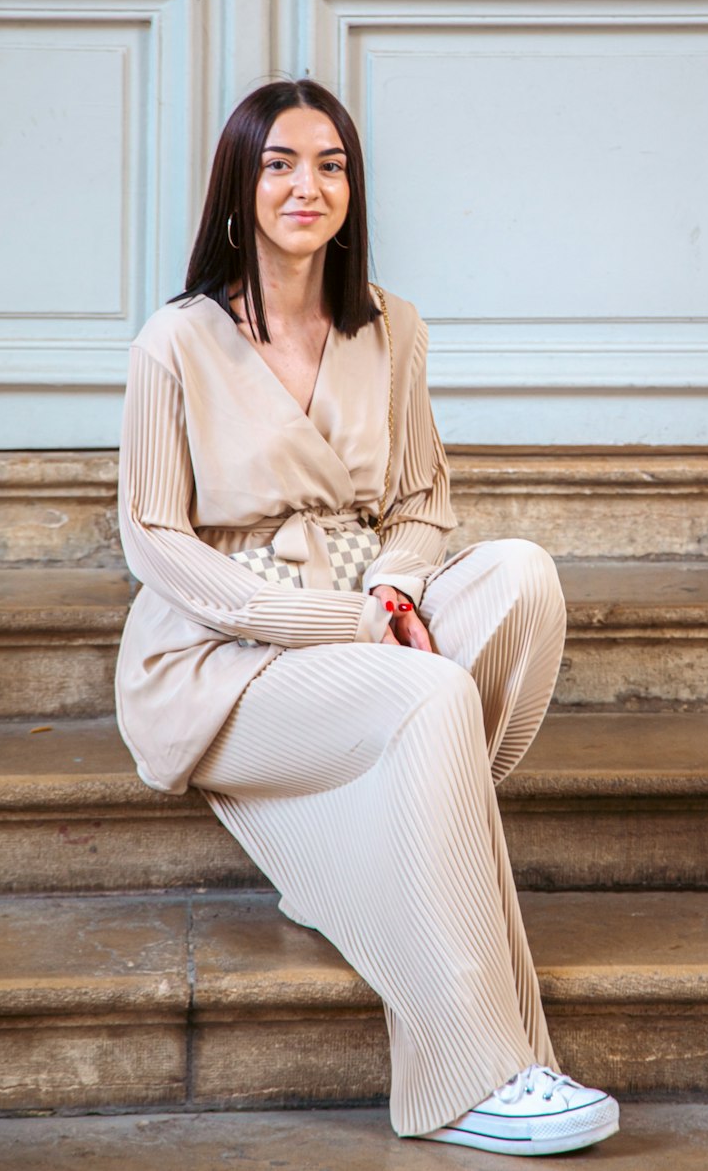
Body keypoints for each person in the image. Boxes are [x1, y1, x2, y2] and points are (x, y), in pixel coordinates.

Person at [114, 77, 620, 1157]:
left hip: (368, 606)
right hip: (226, 654)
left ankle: (369, 848)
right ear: (240, 187)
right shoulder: (176, 342)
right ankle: (472, 1073)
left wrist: (391, 593)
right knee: (431, 688)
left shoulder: (392, 327)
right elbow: (154, 539)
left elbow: (424, 506)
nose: (309, 184)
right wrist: (326, 621)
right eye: (281, 163)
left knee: (521, 575)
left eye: (331, 163)